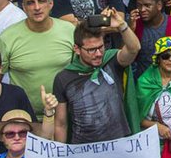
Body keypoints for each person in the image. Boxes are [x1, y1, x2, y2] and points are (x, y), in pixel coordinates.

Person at [52, 8, 141, 143]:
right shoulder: (63, 78)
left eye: (101, 47)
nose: (98, 53)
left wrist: (122, 25)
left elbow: (134, 48)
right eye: (91, 50)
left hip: (119, 144)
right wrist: (61, 156)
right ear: (76, 49)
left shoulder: (111, 60)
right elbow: (61, 124)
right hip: (83, 149)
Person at [0, 0, 76, 117]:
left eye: (41, 1)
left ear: (51, 4)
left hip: (66, 115)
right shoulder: (7, 38)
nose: (37, 7)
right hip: (25, 117)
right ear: (24, 7)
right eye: (30, 3)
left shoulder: (69, 30)